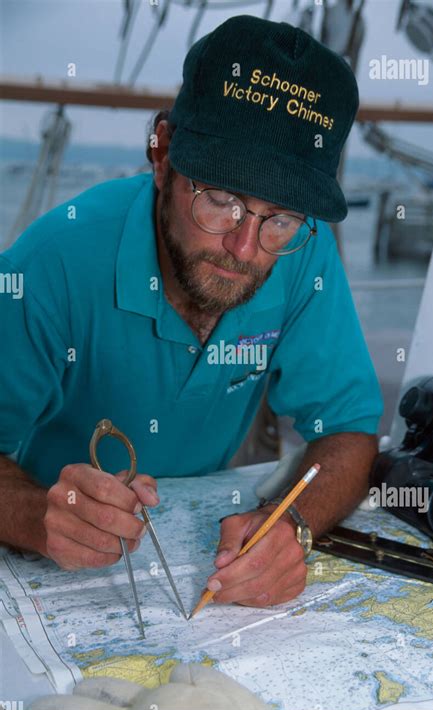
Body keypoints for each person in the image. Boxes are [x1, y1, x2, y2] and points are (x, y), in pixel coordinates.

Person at [0, 15, 383, 608]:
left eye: (278, 217)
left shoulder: (305, 253)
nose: (246, 248)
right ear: (162, 154)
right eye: (222, 200)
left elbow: (347, 431)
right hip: (48, 570)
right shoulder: (51, 262)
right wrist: (34, 516)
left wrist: (294, 526)